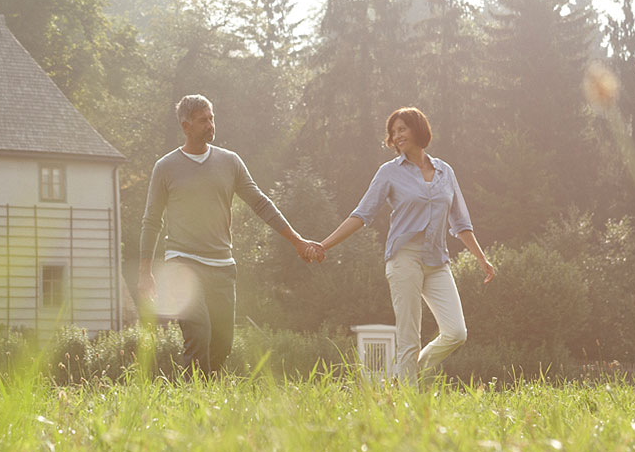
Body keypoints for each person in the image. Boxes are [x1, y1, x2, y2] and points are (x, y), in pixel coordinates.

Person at [138, 94, 323, 376]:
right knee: (198, 333)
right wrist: (145, 272)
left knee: (222, 344)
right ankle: (194, 396)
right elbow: (151, 221)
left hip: (222, 266)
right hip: (182, 263)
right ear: (186, 126)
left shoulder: (230, 162)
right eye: (203, 120)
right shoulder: (165, 167)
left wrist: (297, 241)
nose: (210, 125)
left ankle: (206, 395)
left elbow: (260, 203)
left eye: (211, 118)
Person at [317, 107, 495, 382]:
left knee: (456, 333)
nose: (397, 136)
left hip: (437, 261)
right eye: (393, 132)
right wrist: (324, 245)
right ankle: (406, 398)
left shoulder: (445, 171)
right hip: (404, 258)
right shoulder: (389, 172)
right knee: (409, 337)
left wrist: (482, 259)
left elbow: (461, 222)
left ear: (418, 129)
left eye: (402, 129)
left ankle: (405, 376)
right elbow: (362, 214)